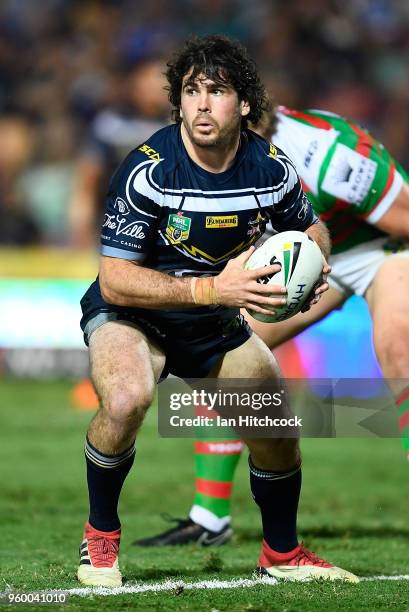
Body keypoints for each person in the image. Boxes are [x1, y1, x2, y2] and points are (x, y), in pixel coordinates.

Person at [76, 35, 358, 587]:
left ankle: (281, 553)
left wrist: (314, 262)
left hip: (211, 320)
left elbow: (313, 226)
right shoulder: (149, 171)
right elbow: (115, 277)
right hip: (133, 311)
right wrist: (213, 291)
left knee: (275, 428)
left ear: (244, 104)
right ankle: (101, 538)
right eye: (192, 92)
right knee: (129, 397)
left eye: (218, 92)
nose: (203, 105)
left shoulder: (269, 167)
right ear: (178, 102)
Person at [133, 105, 409, 548]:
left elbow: (405, 218)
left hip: (378, 246)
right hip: (305, 257)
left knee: (401, 347)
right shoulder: (195, 157)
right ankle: (209, 518)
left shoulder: (331, 155)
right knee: (223, 352)